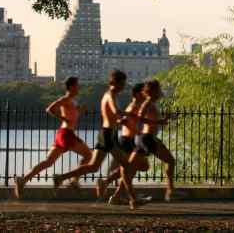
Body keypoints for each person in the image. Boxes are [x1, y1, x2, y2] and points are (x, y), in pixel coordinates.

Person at [52, 69, 140, 209]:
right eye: (122, 83)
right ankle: (132, 198)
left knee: (93, 166)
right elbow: (115, 110)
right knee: (127, 166)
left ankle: (61, 177)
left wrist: (120, 120)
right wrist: (129, 116)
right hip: (108, 135)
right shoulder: (110, 95)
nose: (124, 86)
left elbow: (112, 116)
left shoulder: (111, 94)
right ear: (115, 83)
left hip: (107, 133)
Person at [14, 76, 90, 199]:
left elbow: (73, 115)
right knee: (89, 155)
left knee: (48, 162)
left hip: (64, 133)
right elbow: (49, 109)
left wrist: (81, 110)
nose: (79, 87)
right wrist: (62, 118)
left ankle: (23, 180)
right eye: (77, 85)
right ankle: (73, 180)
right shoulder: (65, 99)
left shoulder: (73, 101)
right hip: (66, 134)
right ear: (71, 87)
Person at [96, 82, 151, 203]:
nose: (145, 95)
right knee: (132, 168)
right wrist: (138, 132)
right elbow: (126, 122)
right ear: (137, 94)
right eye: (143, 92)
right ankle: (115, 190)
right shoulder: (133, 107)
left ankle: (116, 194)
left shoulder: (137, 106)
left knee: (132, 169)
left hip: (130, 141)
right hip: (127, 141)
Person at [128, 79, 178, 202]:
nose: (160, 91)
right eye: (159, 89)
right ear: (153, 91)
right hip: (147, 138)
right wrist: (158, 122)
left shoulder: (151, 103)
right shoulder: (147, 103)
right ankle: (170, 191)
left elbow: (153, 119)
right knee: (170, 161)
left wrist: (168, 117)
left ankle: (113, 189)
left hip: (145, 138)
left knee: (130, 167)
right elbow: (140, 119)